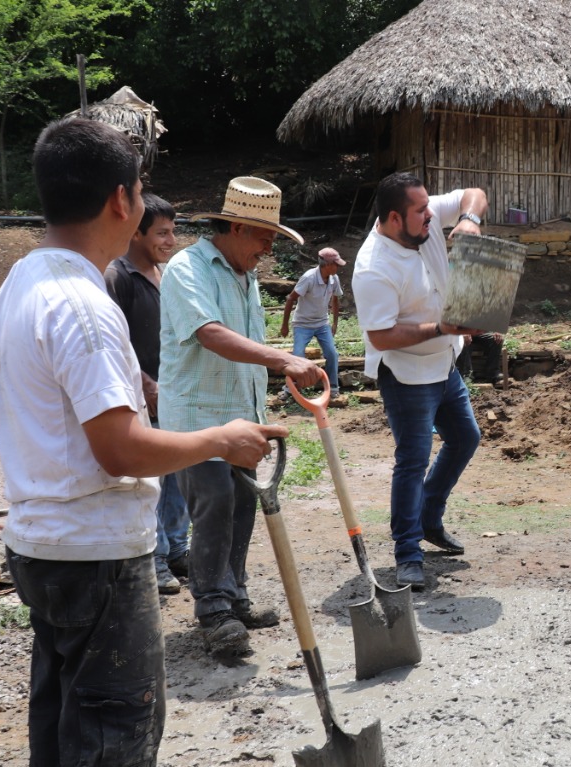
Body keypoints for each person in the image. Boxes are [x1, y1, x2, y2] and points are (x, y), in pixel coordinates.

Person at [0, 117, 285, 767]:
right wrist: (219, 439)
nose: (146, 206)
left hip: (41, 543)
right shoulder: (85, 307)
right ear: (121, 200)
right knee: (115, 737)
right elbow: (119, 448)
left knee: (63, 717)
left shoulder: (22, 281)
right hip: (96, 555)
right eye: (143, 190)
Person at [159, 176, 320, 658]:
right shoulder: (187, 269)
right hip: (199, 419)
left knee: (243, 507)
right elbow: (209, 333)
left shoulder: (244, 277)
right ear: (234, 227)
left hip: (242, 417)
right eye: (263, 237)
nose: (268, 248)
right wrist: (283, 359)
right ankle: (214, 612)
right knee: (214, 505)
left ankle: (235, 597)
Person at [353, 173, 488, 591]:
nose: (431, 215)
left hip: (445, 364)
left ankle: (429, 517)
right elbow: (381, 336)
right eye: (420, 211)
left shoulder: (422, 222)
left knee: (465, 438)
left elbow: (474, 194)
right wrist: (443, 327)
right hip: (407, 374)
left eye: (430, 206)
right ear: (395, 218)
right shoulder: (373, 267)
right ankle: (407, 554)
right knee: (412, 461)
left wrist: (469, 219)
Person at [104, 192, 191, 594]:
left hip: (173, 391)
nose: (171, 241)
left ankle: (177, 547)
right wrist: (145, 382)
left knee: (177, 474)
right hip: (142, 394)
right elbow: (114, 342)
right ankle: (155, 557)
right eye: (162, 233)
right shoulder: (117, 277)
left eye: (173, 232)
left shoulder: (167, 274)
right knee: (150, 479)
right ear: (136, 234)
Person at [279, 246, 346, 404]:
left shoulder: (334, 279)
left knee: (332, 354)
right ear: (327, 264)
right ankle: (289, 389)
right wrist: (284, 325)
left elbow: (335, 299)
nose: (338, 267)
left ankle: (333, 388)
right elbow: (291, 298)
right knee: (298, 355)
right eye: (336, 264)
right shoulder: (309, 278)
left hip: (322, 323)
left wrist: (334, 323)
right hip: (302, 324)